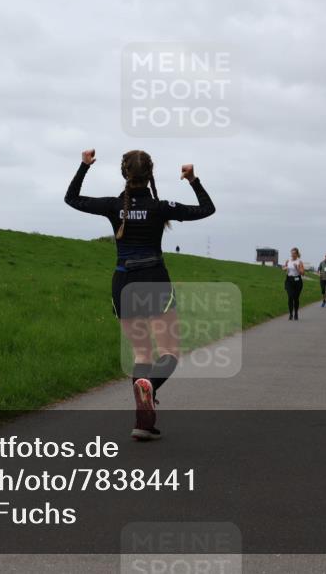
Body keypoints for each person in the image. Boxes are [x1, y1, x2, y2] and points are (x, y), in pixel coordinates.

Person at [65, 149, 215, 441]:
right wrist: (193, 180)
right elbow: (206, 209)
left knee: (142, 354)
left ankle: (143, 423)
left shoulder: (112, 206)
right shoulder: (160, 208)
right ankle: (150, 387)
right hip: (154, 280)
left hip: (123, 281)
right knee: (169, 353)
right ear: (150, 175)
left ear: (125, 174)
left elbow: (72, 198)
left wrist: (84, 166)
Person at [282, 247, 305, 320]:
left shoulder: (299, 262)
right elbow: (283, 268)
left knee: (296, 298)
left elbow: (303, 273)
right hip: (289, 280)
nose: (293, 254)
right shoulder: (288, 261)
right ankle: (291, 313)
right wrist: (285, 268)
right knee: (290, 296)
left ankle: (296, 313)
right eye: (292, 253)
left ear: (297, 254)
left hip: (297, 281)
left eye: (294, 253)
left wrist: (297, 268)